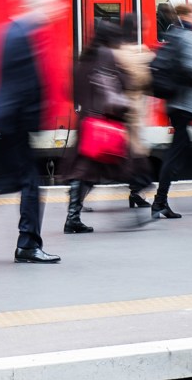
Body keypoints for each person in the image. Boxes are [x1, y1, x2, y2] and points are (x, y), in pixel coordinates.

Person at [0, 0, 68, 263]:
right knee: (30, 185)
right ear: (39, 5)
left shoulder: (12, 31)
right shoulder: (24, 35)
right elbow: (24, 87)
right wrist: (35, 119)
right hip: (16, 124)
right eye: (56, 3)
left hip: (11, 121)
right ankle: (28, 246)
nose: (61, 8)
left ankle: (28, 243)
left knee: (19, 183)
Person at [61, 20, 129, 233]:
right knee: (89, 171)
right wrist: (125, 103)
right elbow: (110, 92)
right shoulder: (107, 55)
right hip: (99, 124)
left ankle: (73, 212)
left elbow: (70, 92)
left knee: (86, 170)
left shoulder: (84, 58)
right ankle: (72, 216)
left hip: (85, 121)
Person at [150, 2, 192, 219]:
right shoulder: (190, 37)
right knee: (175, 154)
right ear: (190, 15)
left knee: (186, 148)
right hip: (186, 104)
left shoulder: (173, 35)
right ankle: (159, 202)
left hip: (174, 103)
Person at [114, 14, 154, 208]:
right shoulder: (138, 53)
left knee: (122, 151)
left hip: (116, 109)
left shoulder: (115, 51)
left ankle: (135, 193)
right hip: (133, 109)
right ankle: (137, 190)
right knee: (136, 152)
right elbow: (145, 81)